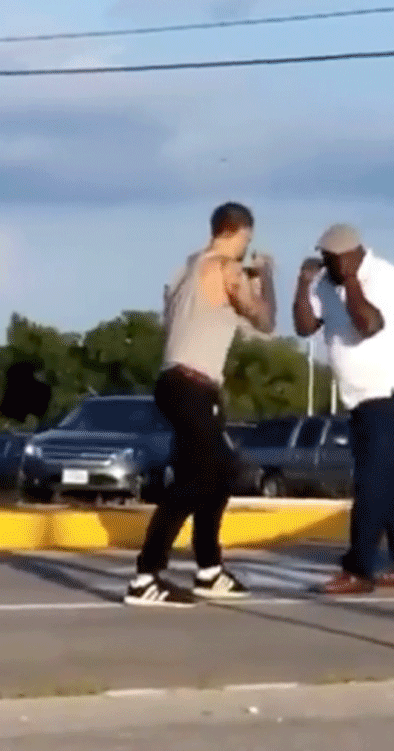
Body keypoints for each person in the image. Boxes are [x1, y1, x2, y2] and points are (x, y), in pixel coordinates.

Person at [125, 202, 276, 607]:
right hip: (193, 386)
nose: (247, 247)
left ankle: (209, 569)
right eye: (247, 238)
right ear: (236, 231)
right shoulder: (227, 268)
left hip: (178, 383)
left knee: (221, 471)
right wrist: (267, 277)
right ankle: (145, 576)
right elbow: (265, 321)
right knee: (198, 479)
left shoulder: (186, 270)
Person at [292, 223, 394, 595]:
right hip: (359, 402)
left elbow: (368, 324)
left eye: (332, 258)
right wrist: (304, 284)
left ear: (352, 254)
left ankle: (358, 570)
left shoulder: (385, 277)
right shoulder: (323, 283)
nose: (327, 264)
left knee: (371, 484)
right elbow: (305, 327)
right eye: (323, 257)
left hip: (393, 398)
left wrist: (351, 281)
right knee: (390, 488)